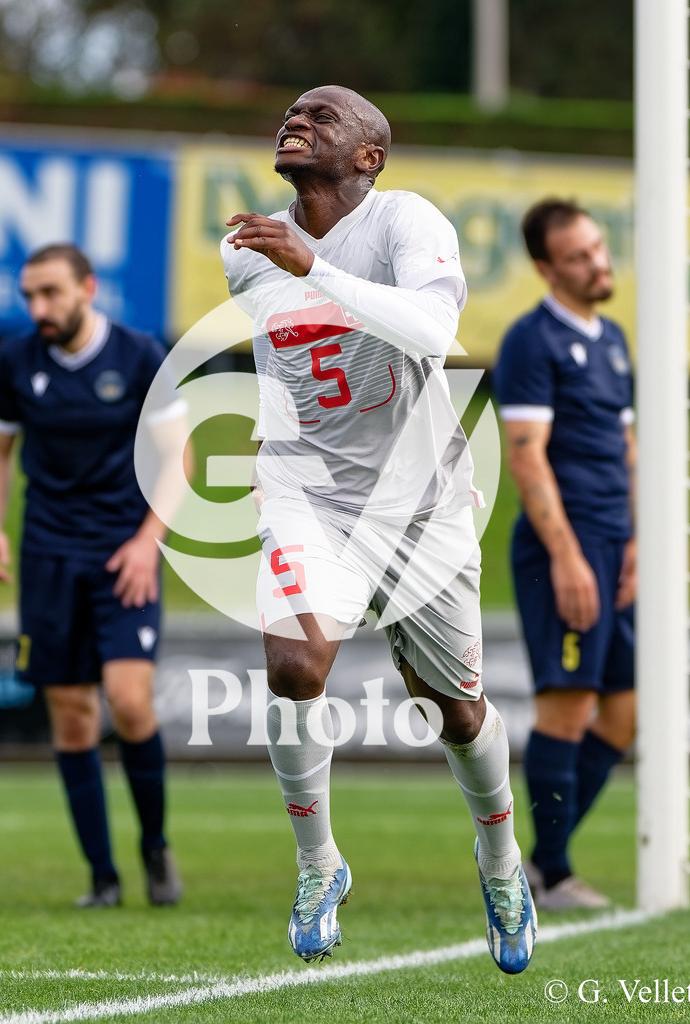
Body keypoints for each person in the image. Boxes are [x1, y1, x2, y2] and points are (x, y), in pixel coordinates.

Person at [220, 85, 536, 974]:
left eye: (323, 115)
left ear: (370, 156)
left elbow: (434, 331)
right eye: (289, 110)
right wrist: (297, 263)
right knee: (294, 664)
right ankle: (318, 864)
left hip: (421, 504)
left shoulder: (406, 220)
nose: (297, 117)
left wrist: (312, 266)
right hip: (307, 493)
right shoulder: (246, 251)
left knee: (456, 714)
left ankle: (500, 863)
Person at [0, 243, 190, 908]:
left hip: (123, 554)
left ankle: (155, 846)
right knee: (70, 718)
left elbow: (178, 458)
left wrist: (147, 543)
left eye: (50, 293)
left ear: (87, 288)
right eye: (29, 296)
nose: (38, 308)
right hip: (47, 554)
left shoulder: (139, 354)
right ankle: (101, 876)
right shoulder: (16, 360)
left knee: (128, 701)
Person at [493, 199, 636, 911]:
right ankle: (548, 873)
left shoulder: (612, 338)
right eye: (578, 256)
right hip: (567, 548)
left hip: (617, 546)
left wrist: (635, 540)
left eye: (598, 248)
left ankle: (531, 862)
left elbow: (625, 446)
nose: (597, 263)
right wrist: (568, 556)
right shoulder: (530, 341)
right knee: (569, 709)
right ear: (546, 268)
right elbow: (526, 457)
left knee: (622, 714)